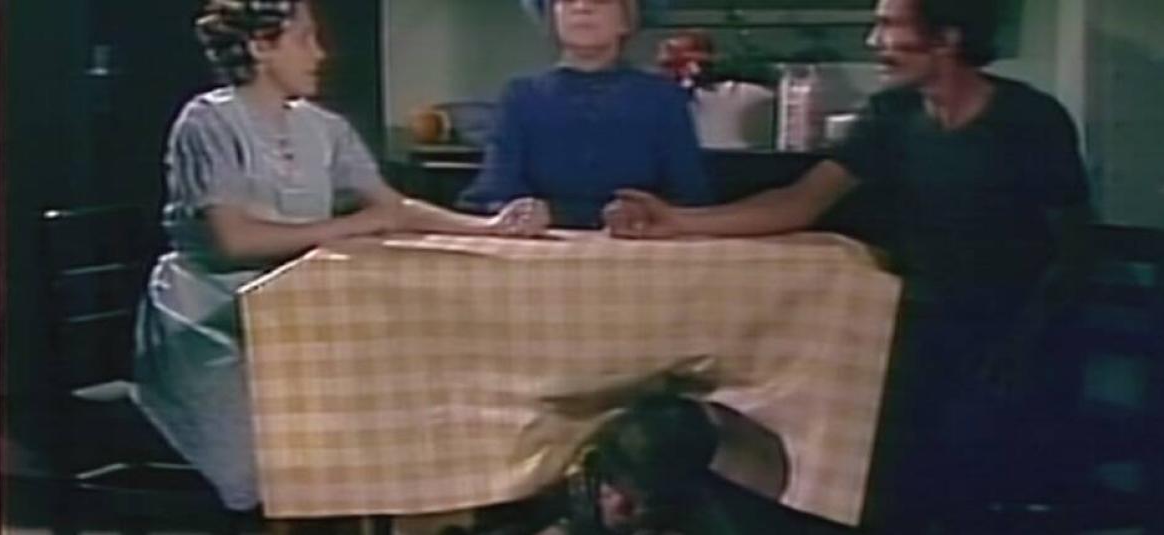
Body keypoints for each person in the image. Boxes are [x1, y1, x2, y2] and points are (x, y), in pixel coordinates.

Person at [602, 0, 1094, 530]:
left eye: (889, 25)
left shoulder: (1028, 120)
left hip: (1009, 334)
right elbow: (800, 202)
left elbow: (1074, 246)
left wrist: (1025, 342)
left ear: (947, 37)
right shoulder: (892, 115)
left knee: (941, 451)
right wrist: (677, 220)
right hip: (920, 328)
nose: (873, 41)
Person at [132, 0, 546, 513]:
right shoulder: (207, 122)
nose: (321, 54)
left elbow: (392, 208)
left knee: (375, 412)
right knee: (261, 475)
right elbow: (233, 241)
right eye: (305, 39)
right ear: (260, 47)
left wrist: (491, 227)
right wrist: (350, 226)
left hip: (294, 316)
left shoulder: (322, 127)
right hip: (209, 320)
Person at [456, 0, 713, 229]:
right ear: (552, 17)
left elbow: (689, 195)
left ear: (626, 20)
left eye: (600, 1)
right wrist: (521, 213)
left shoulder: (663, 97)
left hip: (638, 243)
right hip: (542, 243)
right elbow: (495, 190)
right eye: (567, 0)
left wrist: (649, 213)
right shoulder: (520, 95)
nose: (582, 7)